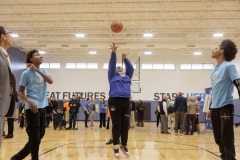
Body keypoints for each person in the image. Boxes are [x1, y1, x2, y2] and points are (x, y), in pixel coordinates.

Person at [11, 49, 53, 160]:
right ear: (31, 59)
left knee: (40, 135)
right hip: (32, 108)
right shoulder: (26, 73)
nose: (40, 56)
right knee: (34, 137)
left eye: (41, 54)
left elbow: (50, 81)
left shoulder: (43, 70)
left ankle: (17, 158)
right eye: (37, 55)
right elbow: (19, 92)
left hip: (43, 107)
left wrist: (37, 70)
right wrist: (29, 101)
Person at [206, 39, 239, 160]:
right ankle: (224, 157)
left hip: (225, 106)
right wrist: (210, 108)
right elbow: (214, 91)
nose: (213, 50)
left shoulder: (229, 66)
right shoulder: (214, 70)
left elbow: (238, 83)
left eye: (216, 48)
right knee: (218, 139)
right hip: (214, 108)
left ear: (222, 51)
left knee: (227, 138)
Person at [108, 42, 134, 158]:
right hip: (114, 101)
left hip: (126, 102)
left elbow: (131, 68)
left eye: (120, 67)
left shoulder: (128, 76)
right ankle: (115, 147)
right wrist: (114, 53)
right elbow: (111, 65)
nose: (118, 68)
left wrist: (125, 59)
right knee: (117, 124)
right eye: (117, 67)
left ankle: (124, 145)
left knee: (125, 124)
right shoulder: (112, 76)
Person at [0, 26, 16, 147]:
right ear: (3, 37)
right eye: (10, 34)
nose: (12, 37)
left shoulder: (5, 56)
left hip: (3, 109)